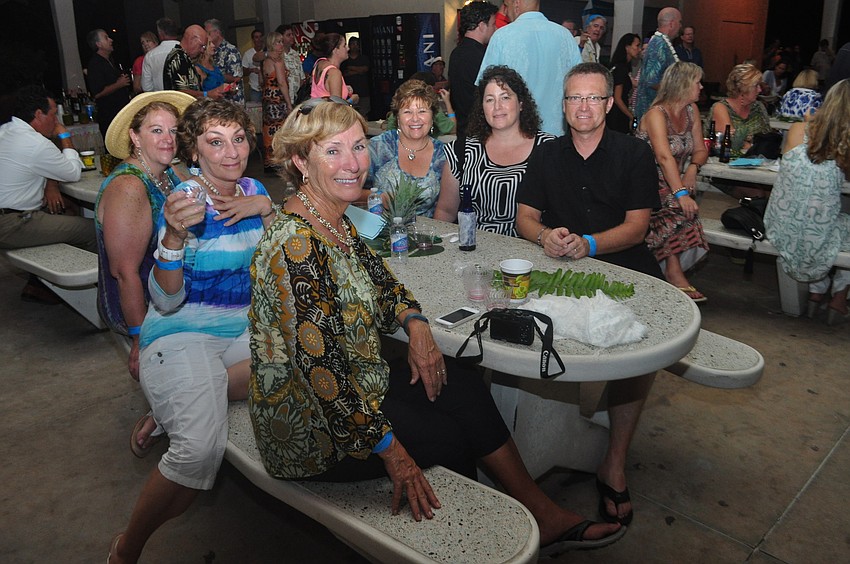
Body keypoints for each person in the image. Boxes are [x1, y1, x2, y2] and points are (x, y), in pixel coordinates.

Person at [249, 97, 625, 555]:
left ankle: (540, 516)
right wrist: (393, 452)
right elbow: (323, 379)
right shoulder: (295, 246)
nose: (352, 164)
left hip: (359, 386)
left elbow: (385, 287)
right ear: (299, 162)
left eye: (358, 146)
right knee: (447, 436)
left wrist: (417, 325)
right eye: (332, 151)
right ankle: (473, 546)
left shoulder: (336, 221)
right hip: (313, 428)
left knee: (460, 381)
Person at [106, 98, 278, 563]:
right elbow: (165, 299)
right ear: (195, 150)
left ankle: (173, 405)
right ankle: (127, 548)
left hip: (243, 329)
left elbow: (285, 256)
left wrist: (266, 207)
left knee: (306, 359)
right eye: (215, 142)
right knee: (200, 449)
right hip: (183, 329)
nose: (231, 152)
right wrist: (174, 239)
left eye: (239, 139)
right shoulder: (184, 201)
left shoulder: (254, 187)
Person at [516, 63, 661, 526]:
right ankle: (538, 444)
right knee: (517, 333)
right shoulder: (547, 154)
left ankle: (613, 461)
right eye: (574, 98)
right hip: (558, 267)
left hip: (624, 265)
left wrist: (591, 244)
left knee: (639, 354)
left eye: (593, 98)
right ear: (563, 106)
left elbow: (638, 228)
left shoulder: (634, 154)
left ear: (606, 104)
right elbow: (525, 216)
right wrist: (544, 238)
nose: (583, 107)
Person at [96, 90, 194, 454]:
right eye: (156, 131)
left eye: (173, 130)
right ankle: (164, 415)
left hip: (169, 289)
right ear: (135, 138)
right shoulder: (129, 186)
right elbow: (124, 273)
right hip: (143, 305)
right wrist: (140, 340)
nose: (168, 139)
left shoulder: (168, 172)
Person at [765, 80, 850, 326]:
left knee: (819, 216)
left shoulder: (797, 129)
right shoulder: (844, 143)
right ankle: (840, 295)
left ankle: (817, 290)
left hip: (779, 226)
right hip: (811, 235)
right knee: (835, 222)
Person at [0, 85, 95, 302]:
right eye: (54, 114)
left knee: (68, 210)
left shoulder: (6, 131)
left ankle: (38, 285)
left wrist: (50, 185)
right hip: (13, 224)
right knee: (92, 229)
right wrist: (64, 135)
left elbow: (34, 167)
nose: (57, 119)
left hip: (9, 214)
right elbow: (72, 172)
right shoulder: (36, 143)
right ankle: (96, 292)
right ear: (38, 114)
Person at [434, 65, 554, 236]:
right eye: (489, 99)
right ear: (482, 107)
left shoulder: (549, 148)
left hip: (534, 254)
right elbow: (446, 212)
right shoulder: (461, 151)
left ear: (521, 104)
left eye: (505, 97)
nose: (497, 106)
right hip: (474, 252)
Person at [636, 62, 710, 302]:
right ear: (683, 84)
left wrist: (692, 169)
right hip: (645, 182)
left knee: (682, 205)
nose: (701, 86)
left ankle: (668, 268)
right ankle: (674, 272)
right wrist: (680, 192)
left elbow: (701, 149)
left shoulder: (691, 111)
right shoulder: (657, 113)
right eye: (697, 82)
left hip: (673, 180)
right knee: (679, 207)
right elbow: (663, 155)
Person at [476, 0, 581, 136]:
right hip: (556, 136)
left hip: (515, 137)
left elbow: (485, 87)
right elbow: (579, 85)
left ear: (517, 3)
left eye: (506, 7)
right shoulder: (565, 36)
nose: (506, 13)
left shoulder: (502, 37)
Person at [367, 80, 447, 217]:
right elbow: (349, 192)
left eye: (422, 111)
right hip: (378, 231)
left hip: (426, 234)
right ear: (398, 118)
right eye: (407, 112)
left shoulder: (443, 155)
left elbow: (445, 211)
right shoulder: (379, 147)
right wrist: (378, 197)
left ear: (433, 117)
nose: (415, 119)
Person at [449, 0, 499, 135]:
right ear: (482, 25)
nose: (495, 29)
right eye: (493, 24)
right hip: (479, 132)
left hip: (463, 129)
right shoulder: (482, 56)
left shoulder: (455, 53)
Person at [708, 63, 771, 154]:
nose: (760, 90)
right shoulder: (721, 108)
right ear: (743, 88)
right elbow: (730, 142)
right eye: (756, 86)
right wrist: (753, 146)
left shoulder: (759, 107)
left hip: (757, 161)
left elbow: (768, 138)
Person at [634, 7, 682, 122]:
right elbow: (652, 81)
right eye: (680, 22)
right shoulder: (658, 44)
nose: (681, 26)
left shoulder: (662, 42)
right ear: (671, 24)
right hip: (652, 112)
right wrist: (677, 90)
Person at [85, 29, 131, 137]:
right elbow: (97, 93)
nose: (111, 40)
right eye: (106, 38)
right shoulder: (95, 64)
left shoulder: (110, 61)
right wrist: (118, 84)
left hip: (121, 115)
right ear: (99, 44)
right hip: (110, 117)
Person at [162, 24, 225, 100]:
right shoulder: (178, 58)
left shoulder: (185, 58)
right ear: (192, 40)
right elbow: (181, 92)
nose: (202, 50)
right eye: (201, 46)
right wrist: (206, 94)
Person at [260, 31, 293, 173]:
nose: (281, 44)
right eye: (278, 42)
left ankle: (270, 162)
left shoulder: (266, 61)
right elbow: (282, 83)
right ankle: (279, 161)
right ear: (271, 44)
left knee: (269, 130)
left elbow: (262, 81)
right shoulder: (277, 62)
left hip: (267, 99)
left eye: (281, 41)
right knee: (280, 130)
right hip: (278, 99)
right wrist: (289, 103)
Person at [310, 33, 358, 105]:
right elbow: (336, 108)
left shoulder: (319, 63)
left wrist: (343, 87)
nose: (348, 48)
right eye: (344, 45)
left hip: (317, 114)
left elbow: (322, 90)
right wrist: (352, 100)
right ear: (335, 50)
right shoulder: (334, 73)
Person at [204, 19, 244, 105]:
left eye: (208, 33)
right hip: (216, 101)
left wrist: (213, 76)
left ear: (217, 32)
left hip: (231, 101)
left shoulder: (230, 50)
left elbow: (236, 77)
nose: (206, 36)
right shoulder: (207, 51)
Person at [608, 33, 642, 134]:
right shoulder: (620, 69)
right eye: (637, 45)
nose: (639, 49)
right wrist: (632, 117)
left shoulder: (622, 67)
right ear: (627, 47)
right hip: (616, 116)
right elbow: (617, 99)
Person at [141, 18, 180, 93]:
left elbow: (146, 87)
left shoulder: (150, 56)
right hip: (185, 100)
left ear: (160, 33)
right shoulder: (186, 50)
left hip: (161, 101)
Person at [341, 36, 371, 116]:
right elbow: (345, 72)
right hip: (349, 94)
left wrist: (352, 69)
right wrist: (358, 71)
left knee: (364, 114)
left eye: (356, 44)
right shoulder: (345, 59)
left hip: (363, 92)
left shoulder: (363, 58)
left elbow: (365, 69)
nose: (354, 46)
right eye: (352, 44)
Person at [242, 29, 265, 103]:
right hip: (255, 89)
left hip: (267, 89)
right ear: (253, 40)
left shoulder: (267, 52)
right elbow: (243, 72)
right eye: (256, 37)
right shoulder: (247, 54)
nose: (259, 39)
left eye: (260, 37)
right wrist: (251, 70)